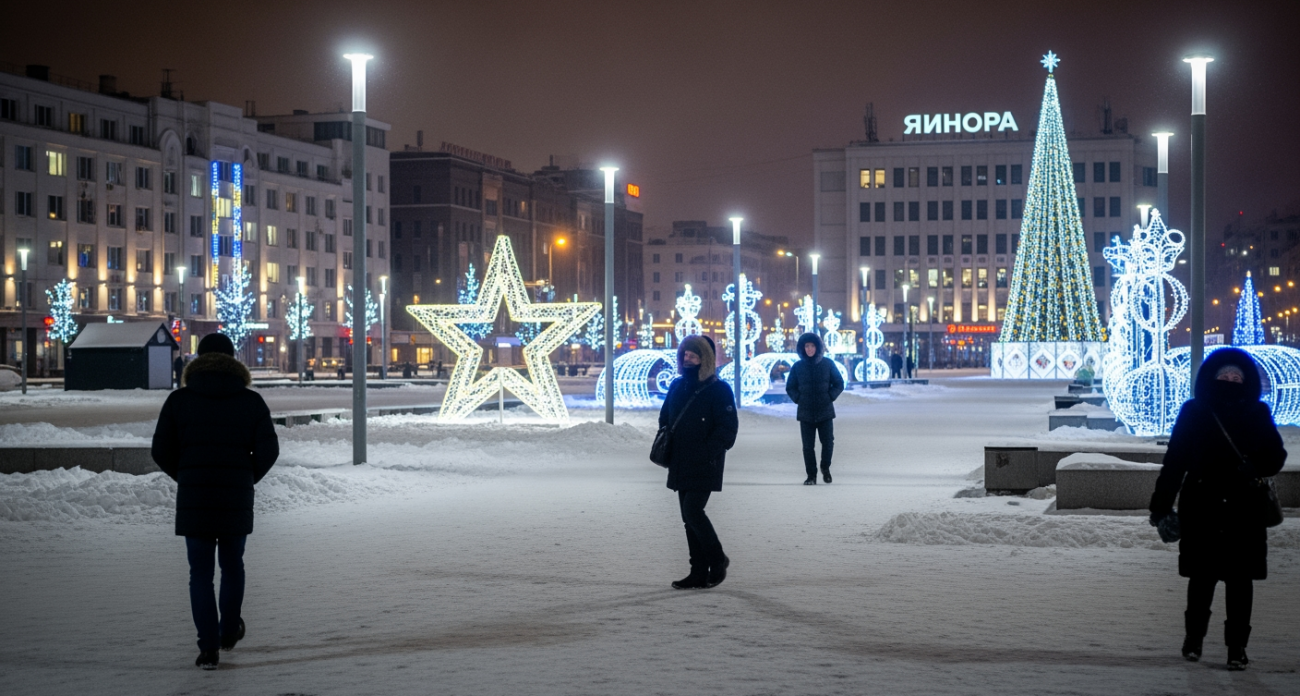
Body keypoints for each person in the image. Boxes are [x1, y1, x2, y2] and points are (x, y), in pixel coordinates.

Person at [1149, 348, 1286, 671]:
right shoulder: (1194, 411)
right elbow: (1175, 461)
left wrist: (1254, 466)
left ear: (1246, 380)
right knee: (1201, 579)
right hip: (1203, 505)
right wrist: (1161, 504)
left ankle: (1236, 648)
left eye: (1236, 377)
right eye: (1224, 376)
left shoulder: (1257, 412)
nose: (1230, 381)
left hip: (1243, 508)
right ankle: (1193, 640)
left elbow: (1276, 456)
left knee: (1240, 583)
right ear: (1211, 379)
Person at [151, 333, 279, 670]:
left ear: (198, 359)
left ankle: (208, 648)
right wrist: (245, 477)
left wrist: (188, 475)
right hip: (235, 498)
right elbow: (269, 450)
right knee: (233, 565)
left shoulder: (179, 401)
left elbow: (160, 450)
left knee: (200, 573)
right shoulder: (251, 402)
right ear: (233, 360)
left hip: (196, 498)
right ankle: (228, 629)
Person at [658, 335, 738, 590]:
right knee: (687, 517)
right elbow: (665, 417)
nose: (687, 359)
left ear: (705, 358)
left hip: (706, 462)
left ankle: (717, 559)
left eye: (693, 355)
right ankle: (698, 572)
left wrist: (707, 451)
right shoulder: (677, 386)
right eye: (685, 355)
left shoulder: (719, 389)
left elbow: (727, 429)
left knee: (693, 512)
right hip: (680, 461)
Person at [785, 333, 845, 485]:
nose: (809, 349)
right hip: (806, 412)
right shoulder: (798, 367)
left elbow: (839, 383)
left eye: (812, 346)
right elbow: (790, 387)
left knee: (828, 442)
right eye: (807, 346)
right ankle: (811, 475)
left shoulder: (828, 364)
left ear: (817, 347)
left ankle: (825, 468)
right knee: (807, 446)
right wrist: (799, 399)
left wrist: (829, 397)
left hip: (825, 411)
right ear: (802, 348)